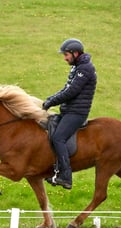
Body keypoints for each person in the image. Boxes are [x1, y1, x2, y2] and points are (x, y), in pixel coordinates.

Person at [42, 38, 97, 189]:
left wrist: (52, 102)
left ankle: (66, 176)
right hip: (68, 111)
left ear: (75, 53)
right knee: (49, 127)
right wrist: (50, 99)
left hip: (77, 113)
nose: (65, 58)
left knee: (58, 138)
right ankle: (54, 170)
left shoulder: (85, 69)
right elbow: (66, 89)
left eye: (66, 55)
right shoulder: (77, 67)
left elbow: (71, 92)